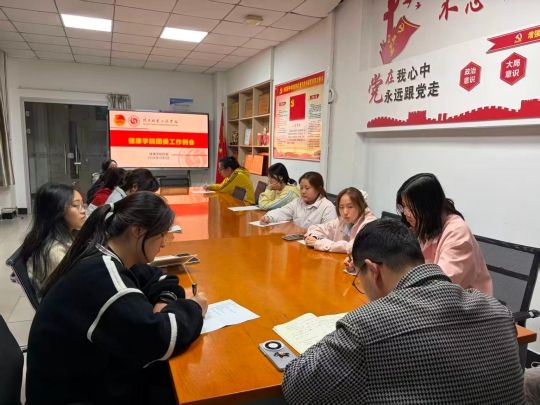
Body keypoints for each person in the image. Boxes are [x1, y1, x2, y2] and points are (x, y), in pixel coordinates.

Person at [282, 219, 524, 404]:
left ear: (373, 271)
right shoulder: (498, 311)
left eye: (359, 279)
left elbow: (297, 389)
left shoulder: (367, 326)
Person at [26, 192, 207, 405]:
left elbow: (163, 280)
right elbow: (158, 340)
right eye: (162, 235)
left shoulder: (108, 252)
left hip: (89, 374)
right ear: (137, 231)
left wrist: (163, 302)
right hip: (75, 395)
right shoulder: (101, 275)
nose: (164, 244)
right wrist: (194, 307)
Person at [396, 173, 492, 295]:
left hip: (463, 302)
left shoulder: (457, 233)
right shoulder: (424, 225)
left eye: (410, 208)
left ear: (427, 208)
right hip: (435, 298)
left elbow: (440, 286)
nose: (405, 213)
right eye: (403, 207)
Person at [19, 182, 86, 299]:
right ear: (56, 211)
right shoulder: (55, 251)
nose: (83, 211)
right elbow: (77, 290)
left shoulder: (65, 236)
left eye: (83, 205)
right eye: (76, 205)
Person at [305, 187, 376, 255]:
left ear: (360, 206)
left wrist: (319, 243)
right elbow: (318, 228)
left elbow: (352, 247)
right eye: (341, 207)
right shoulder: (342, 220)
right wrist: (314, 237)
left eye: (350, 207)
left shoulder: (369, 224)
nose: (345, 212)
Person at [260, 171, 336, 229]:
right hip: (297, 239)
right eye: (301, 188)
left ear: (318, 189)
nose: (303, 191)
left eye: (307, 188)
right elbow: (283, 211)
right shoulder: (298, 202)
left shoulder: (327, 207)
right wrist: (269, 217)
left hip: (315, 242)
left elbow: (329, 231)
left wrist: (311, 234)